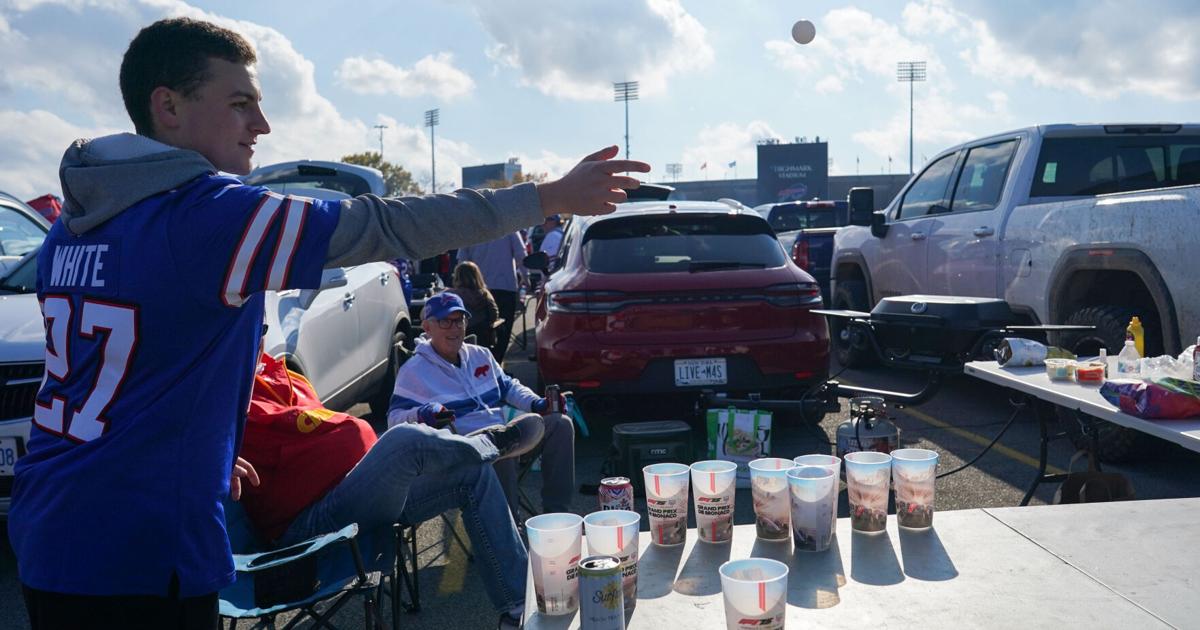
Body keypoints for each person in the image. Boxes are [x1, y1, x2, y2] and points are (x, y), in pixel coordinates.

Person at [8, 17, 649, 630]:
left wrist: (205, 447)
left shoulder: (72, 225)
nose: (261, 124)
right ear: (168, 107)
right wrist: (545, 198)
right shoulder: (205, 215)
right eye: (240, 103)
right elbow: (383, 224)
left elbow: (126, 373)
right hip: (141, 549)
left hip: (53, 523)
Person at [240, 350, 538, 627]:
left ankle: (518, 609)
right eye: (247, 325)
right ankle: (488, 443)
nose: (256, 334)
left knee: (474, 472)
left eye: (261, 326)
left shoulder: (279, 374)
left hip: (354, 491)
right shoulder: (225, 400)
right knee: (404, 440)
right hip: (307, 526)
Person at [389, 293, 575, 516]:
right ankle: (507, 537)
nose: (454, 328)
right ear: (427, 328)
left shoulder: (481, 355)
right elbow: (394, 421)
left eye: (459, 320)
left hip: (503, 432)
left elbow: (509, 387)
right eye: (445, 321)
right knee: (497, 446)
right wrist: (422, 413)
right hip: (462, 449)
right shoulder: (414, 371)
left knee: (560, 423)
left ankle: (557, 517)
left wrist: (537, 404)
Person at [457, 231, 527, 362]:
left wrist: (460, 285)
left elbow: (462, 260)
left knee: (478, 330)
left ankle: (480, 363)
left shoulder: (470, 228)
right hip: (505, 287)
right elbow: (520, 254)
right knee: (502, 332)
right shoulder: (510, 226)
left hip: (477, 290)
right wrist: (526, 279)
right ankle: (496, 363)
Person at [448, 261, 501, 350]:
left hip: (456, 338)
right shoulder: (485, 294)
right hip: (482, 338)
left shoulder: (451, 295)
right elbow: (494, 314)